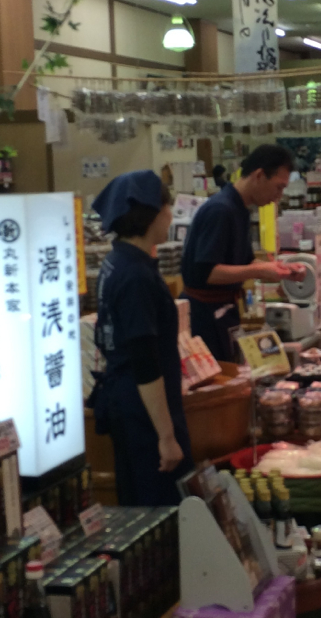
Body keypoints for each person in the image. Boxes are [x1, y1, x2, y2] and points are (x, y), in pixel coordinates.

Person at [92, 171, 193, 506]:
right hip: (144, 413)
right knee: (159, 507)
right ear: (151, 214)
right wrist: (166, 436)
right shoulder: (135, 275)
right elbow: (145, 361)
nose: (171, 217)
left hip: (125, 400)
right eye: (168, 209)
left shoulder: (117, 260)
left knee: (136, 500)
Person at [181, 143, 304, 360]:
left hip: (225, 310)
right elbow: (209, 272)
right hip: (204, 316)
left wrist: (280, 269)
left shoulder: (240, 209)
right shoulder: (221, 209)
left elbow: (245, 262)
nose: (279, 196)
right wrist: (259, 271)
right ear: (259, 176)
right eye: (278, 187)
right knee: (220, 378)